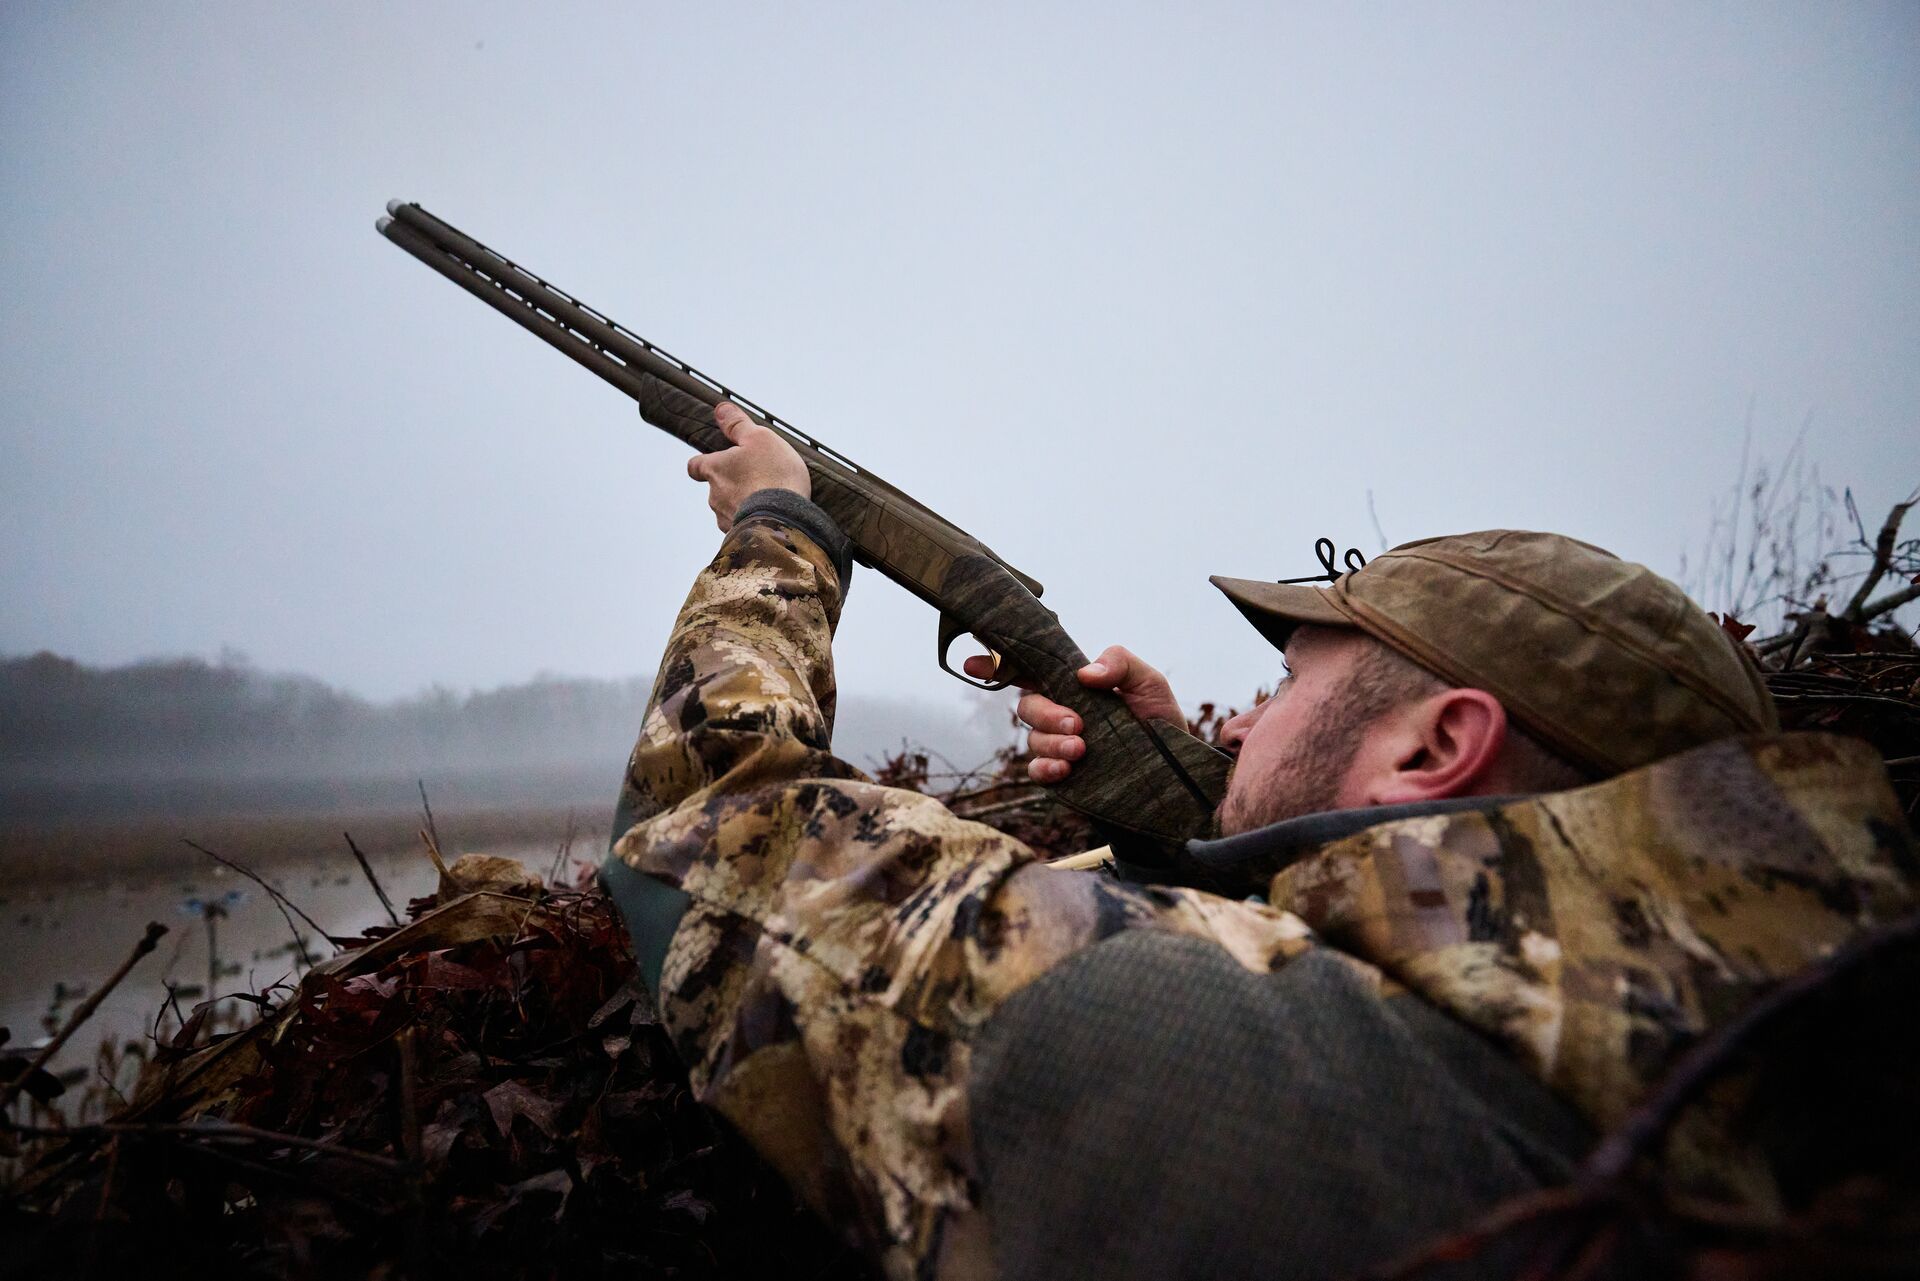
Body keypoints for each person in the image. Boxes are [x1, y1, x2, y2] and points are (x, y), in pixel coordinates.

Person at [599, 404, 1917, 1281]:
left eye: (1294, 678)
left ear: (1432, 747)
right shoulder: (1784, 1106)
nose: (1256, 708)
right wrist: (1215, 798)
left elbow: (715, 833)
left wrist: (783, 527)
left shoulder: (1168, 1016)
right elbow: (1437, 947)